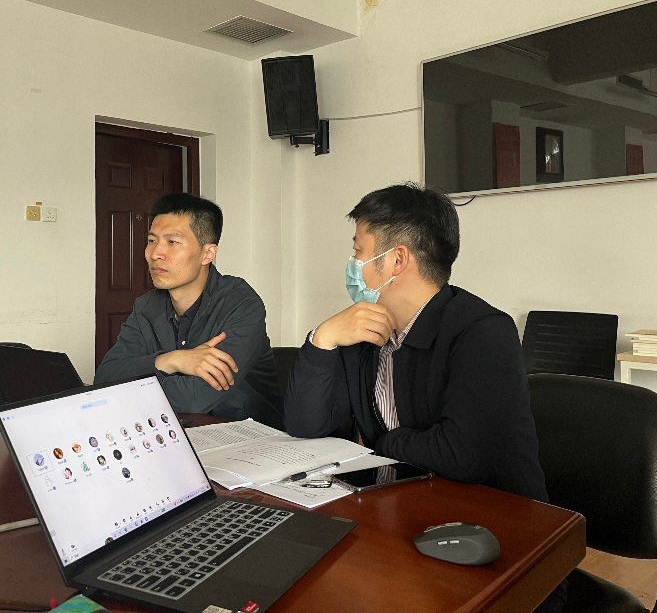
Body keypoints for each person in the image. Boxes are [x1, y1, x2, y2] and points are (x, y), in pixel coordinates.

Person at [284, 182, 564, 612]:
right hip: (405, 516)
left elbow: (461, 455)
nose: (353, 265)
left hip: (500, 539)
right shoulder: (362, 333)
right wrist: (321, 340)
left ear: (397, 260)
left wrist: (383, 444)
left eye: (359, 252)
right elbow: (307, 427)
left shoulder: (483, 331)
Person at [95, 193, 283, 427]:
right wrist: (171, 360)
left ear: (208, 254)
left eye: (172, 242)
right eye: (152, 241)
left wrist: (132, 388)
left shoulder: (241, 304)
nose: (155, 254)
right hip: (177, 431)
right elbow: (105, 379)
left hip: (250, 436)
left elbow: (196, 398)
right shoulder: (146, 306)